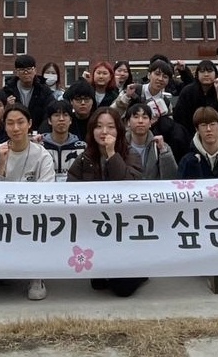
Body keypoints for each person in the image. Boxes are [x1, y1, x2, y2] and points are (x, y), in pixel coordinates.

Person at [67, 109, 144, 297]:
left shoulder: (131, 154)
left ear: (119, 130)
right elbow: (71, 189)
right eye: (99, 127)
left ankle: (141, 271)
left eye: (110, 127)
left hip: (124, 228)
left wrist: (112, 155)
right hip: (96, 228)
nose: (104, 132)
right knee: (98, 284)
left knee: (122, 289)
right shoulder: (85, 158)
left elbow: (128, 187)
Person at [0, 105, 55, 301]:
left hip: (33, 212)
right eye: (10, 123)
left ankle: (36, 276)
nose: (15, 128)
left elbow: (47, 191)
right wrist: (1, 164)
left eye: (20, 122)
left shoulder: (42, 154)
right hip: (3, 211)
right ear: (4, 126)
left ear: (29, 124)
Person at [173, 59, 218, 138]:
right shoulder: (188, 91)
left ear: (215, 74)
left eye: (210, 71)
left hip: (216, 130)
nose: (206, 74)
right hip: (191, 130)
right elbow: (180, 116)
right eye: (202, 71)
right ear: (197, 75)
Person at [124, 104, 178, 180]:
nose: (140, 121)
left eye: (145, 117)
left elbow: (172, 177)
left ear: (150, 123)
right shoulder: (120, 146)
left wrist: (163, 151)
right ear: (128, 122)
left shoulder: (160, 146)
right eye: (136, 117)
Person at [3, 55, 57, 130]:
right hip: (15, 130)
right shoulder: (8, 90)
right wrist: (7, 107)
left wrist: (41, 131)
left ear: (35, 70)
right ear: (17, 72)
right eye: (22, 69)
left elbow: (50, 112)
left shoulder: (44, 91)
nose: (26, 72)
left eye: (29, 69)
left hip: (38, 132)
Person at [39, 99, 87, 181]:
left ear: (70, 120)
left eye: (65, 115)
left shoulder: (82, 148)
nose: (61, 119)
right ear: (49, 120)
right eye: (56, 115)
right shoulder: (40, 147)